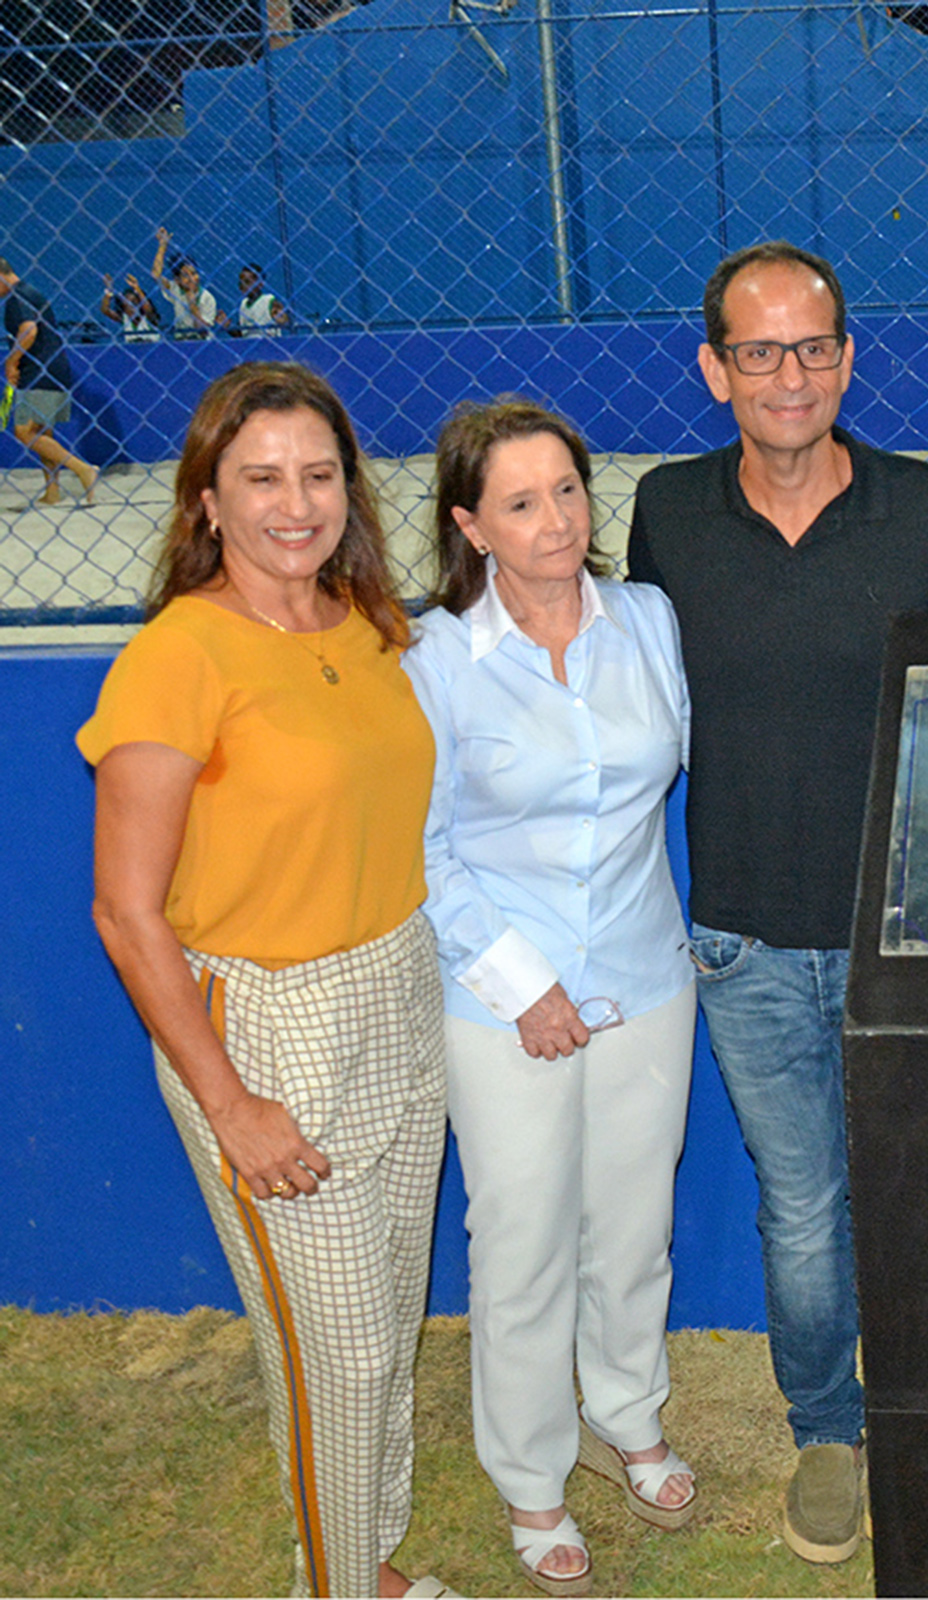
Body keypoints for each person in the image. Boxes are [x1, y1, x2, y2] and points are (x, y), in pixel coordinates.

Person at [624, 240, 928, 1565]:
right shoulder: (666, 513)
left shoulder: (924, 507)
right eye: (761, 351)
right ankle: (828, 1433)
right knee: (803, 1211)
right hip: (747, 944)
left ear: (850, 356)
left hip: (906, 938)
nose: (791, 375)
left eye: (816, 347)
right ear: (715, 368)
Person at [78, 361, 455, 1600]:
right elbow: (128, 914)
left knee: (382, 1329)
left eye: (318, 473)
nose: (296, 503)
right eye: (260, 479)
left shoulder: (363, 626)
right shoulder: (177, 657)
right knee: (337, 1354)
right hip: (270, 1023)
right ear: (206, 502)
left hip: (401, 990)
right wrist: (232, 1103)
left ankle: (365, 1566)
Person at [404, 399, 698, 1595]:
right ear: (471, 523)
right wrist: (526, 988)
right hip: (497, 1003)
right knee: (521, 1240)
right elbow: (424, 853)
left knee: (632, 1221)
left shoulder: (648, 620)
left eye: (568, 491)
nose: (556, 521)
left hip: (646, 977)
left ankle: (629, 1410)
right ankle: (531, 1475)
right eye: (521, 503)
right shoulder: (434, 660)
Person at [1, 256, 100, 503]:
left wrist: (11, 362)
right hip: (54, 369)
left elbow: (29, 331)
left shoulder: (17, 298)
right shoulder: (31, 292)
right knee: (43, 431)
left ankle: (83, 469)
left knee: (24, 432)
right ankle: (52, 492)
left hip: (40, 371)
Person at [153, 226, 225, 334]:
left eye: (194, 273)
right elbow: (155, 275)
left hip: (200, 343)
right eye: (185, 275)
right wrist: (162, 246)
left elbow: (202, 331)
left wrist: (192, 305)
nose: (192, 279)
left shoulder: (207, 298)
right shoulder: (176, 289)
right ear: (177, 280)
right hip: (181, 341)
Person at [101, 271, 163, 341]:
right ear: (123, 307)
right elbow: (105, 310)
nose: (131, 306)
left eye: (134, 302)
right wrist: (109, 290)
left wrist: (137, 289)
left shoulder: (149, 317)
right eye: (127, 303)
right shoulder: (124, 318)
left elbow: (147, 307)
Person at [239, 264, 294, 336]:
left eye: (247, 282)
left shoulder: (268, 300)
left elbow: (284, 319)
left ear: (260, 284)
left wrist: (282, 318)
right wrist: (227, 326)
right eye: (240, 282)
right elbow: (243, 335)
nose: (242, 286)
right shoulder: (243, 304)